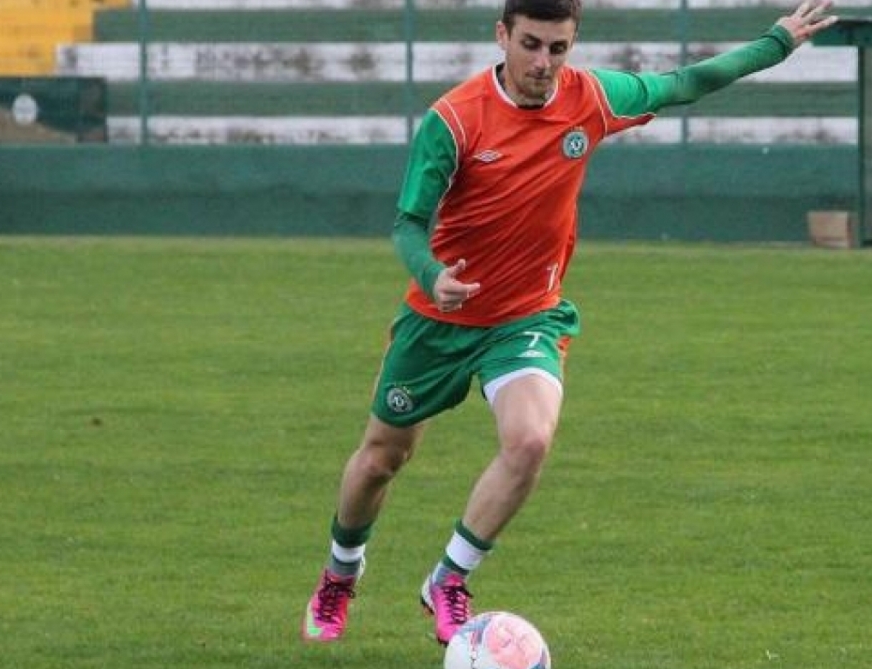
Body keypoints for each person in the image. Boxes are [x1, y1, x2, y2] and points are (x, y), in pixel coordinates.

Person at [301, 0, 837, 646]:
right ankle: (340, 573)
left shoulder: (591, 98)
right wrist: (432, 273)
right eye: (530, 44)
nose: (543, 62)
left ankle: (448, 579)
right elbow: (408, 224)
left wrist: (775, 43)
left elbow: (685, 82)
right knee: (382, 459)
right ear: (502, 36)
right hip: (438, 320)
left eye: (558, 48)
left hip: (528, 316)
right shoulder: (455, 119)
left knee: (529, 440)